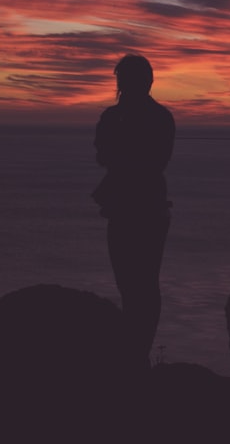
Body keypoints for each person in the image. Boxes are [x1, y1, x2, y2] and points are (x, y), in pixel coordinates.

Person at [92, 54, 175, 371]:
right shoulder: (122, 117)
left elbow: (152, 162)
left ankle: (137, 353)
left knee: (140, 284)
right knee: (133, 284)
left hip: (145, 208)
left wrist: (123, 160)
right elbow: (105, 153)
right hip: (133, 208)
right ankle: (135, 351)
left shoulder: (150, 118)